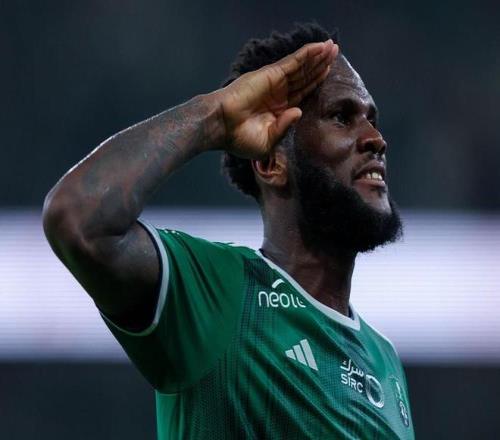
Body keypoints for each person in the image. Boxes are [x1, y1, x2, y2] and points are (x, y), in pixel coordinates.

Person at [43, 22, 414, 439]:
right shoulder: (220, 293)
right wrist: (216, 117)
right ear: (271, 164)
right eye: (342, 117)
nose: (376, 139)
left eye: (372, 120)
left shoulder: (385, 361)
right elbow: (78, 218)